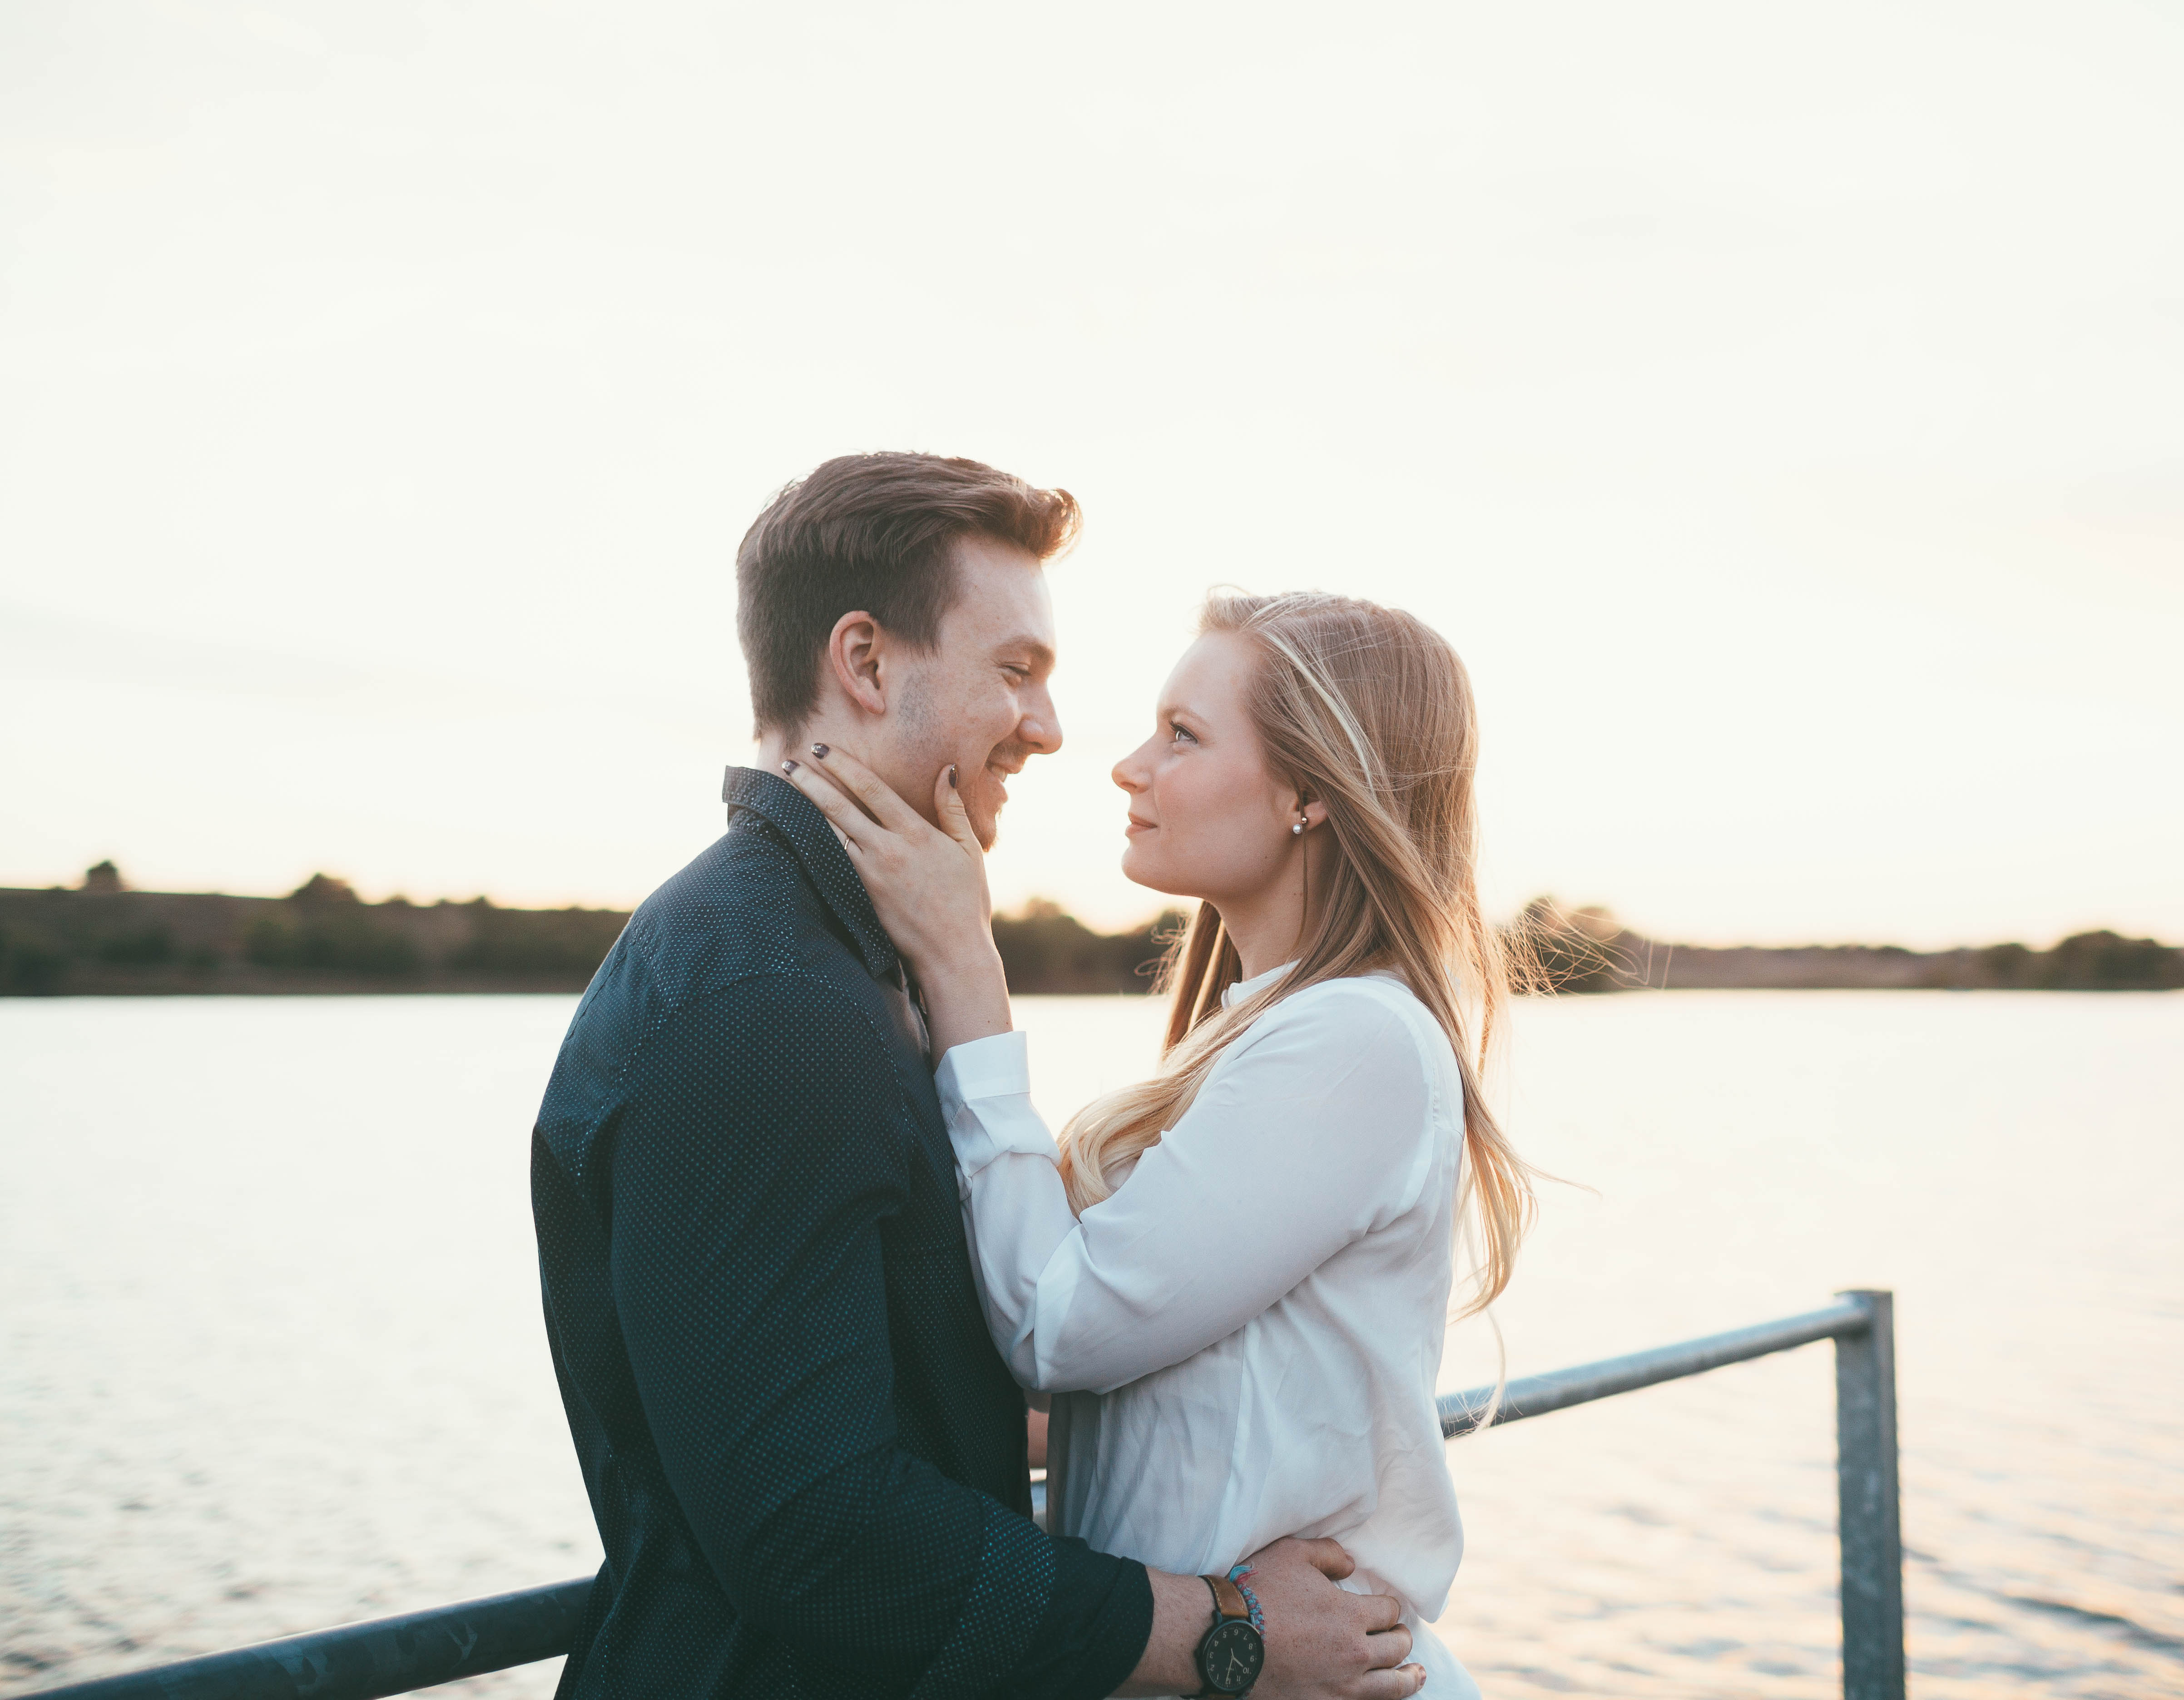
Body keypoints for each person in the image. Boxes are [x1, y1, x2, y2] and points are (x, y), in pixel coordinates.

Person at [530, 454, 1425, 1700]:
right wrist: (1220, 1633)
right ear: (865, 662)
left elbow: (892, 1386)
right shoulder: (766, 1002)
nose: (1057, 733)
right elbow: (816, 1530)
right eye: (1017, 672)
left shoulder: (840, 969)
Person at [778, 589, 1537, 1700]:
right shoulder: (1266, 1031)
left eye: (1182, 736)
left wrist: (965, 972)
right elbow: (1152, 1377)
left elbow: (1062, 1324)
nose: (1129, 766)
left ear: (1311, 794)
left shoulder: (1353, 1040)